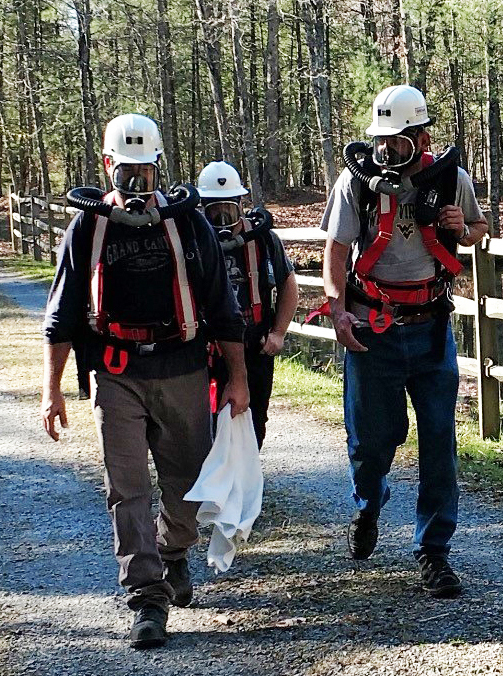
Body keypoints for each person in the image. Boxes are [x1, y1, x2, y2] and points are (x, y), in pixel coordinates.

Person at [41, 114, 249, 649]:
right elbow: (62, 314)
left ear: (160, 169)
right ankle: (146, 599)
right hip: (116, 373)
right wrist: (53, 388)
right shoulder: (87, 228)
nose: (137, 187)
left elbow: (223, 309)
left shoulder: (188, 224)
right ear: (108, 168)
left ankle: (173, 550)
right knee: (127, 487)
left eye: (146, 176)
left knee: (188, 488)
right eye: (126, 175)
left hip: (182, 365)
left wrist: (238, 380)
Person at [322, 85, 487, 597]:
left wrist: (466, 228)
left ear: (422, 136)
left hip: (432, 326)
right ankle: (368, 504)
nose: (388, 149)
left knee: (440, 440)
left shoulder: (450, 177)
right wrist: (338, 309)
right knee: (371, 443)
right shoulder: (357, 185)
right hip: (374, 329)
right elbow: (335, 252)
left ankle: (434, 553)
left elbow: (479, 231)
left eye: (398, 140)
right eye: (382, 140)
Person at [196, 161, 298, 449]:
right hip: (207, 348)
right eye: (213, 211)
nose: (222, 219)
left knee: (254, 419)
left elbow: (288, 283)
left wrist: (278, 332)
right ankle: (213, 479)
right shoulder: (193, 240)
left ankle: (244, 475)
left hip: (255, 345)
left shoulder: (264, 240)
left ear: (241, 204)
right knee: (204, 420)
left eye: (228, 209)